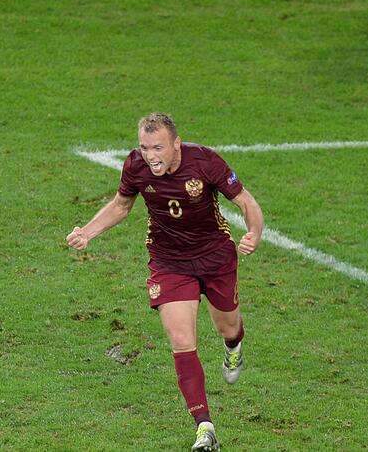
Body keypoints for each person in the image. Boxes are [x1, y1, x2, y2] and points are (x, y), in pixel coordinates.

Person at [66, 113, 264, 451]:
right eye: (144, 147)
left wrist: (254, 233)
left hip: (215, 257)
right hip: (169, 262)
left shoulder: (205, 161)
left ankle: (233, 347)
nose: (150, 156)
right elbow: (121, 206)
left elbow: (246, 202)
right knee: (181, 339)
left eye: (157, 147)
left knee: (227, 327)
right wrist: (87, 232)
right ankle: (205, 427)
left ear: (175, 144)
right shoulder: (136, 166)